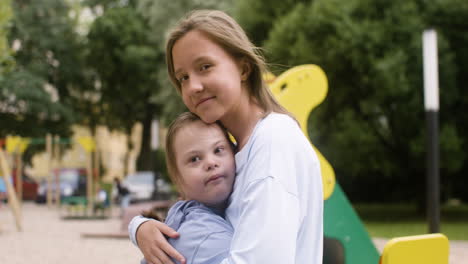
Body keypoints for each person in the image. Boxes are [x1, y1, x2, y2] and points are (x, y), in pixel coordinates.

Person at [128, 9, 323, 264]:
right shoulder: (232, 152)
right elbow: (198, 216)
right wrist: (140, 227)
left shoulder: (273, 140)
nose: (193, 87)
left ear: (243, 68)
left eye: (205, 67)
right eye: (183, 77)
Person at [141, 111, 236, 264]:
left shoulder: (185, 214)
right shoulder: (205, 236)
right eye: (195, 159)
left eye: (218, 150)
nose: (211, 162)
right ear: (178, 179)